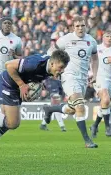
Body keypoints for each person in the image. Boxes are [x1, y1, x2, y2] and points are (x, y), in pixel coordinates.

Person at [0, 50, 70, 164]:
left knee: (6, 124)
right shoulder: (36, 63)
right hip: (7, 84)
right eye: (61, 67)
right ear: (53, 63)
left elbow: (33, 74)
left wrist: (37, 84)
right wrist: (22, 85)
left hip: (15, 87)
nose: (62, 70)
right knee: (13, 123)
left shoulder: (50, 68)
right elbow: (9, 65)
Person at [42, 15, 98, 148]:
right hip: (68, 75)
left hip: (83, 78)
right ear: (73, 27)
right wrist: (52, 68)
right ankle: (87, 140)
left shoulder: (91, 41)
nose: (80, 28)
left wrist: (95, 74)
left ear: (86, 26)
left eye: (82, 25)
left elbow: (95, 59)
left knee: (72, 109)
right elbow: (51, 51)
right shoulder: (66, 39)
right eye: (77, 26)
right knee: (80, 105)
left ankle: (50, 109)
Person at [90, 29, 111, 137]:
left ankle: (95, 125)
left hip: (110, 79)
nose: (109, 38)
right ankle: (108, 127)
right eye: (107, 36)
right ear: (103, 37)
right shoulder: (97, 48)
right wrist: (90, 74)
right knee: (106, 99)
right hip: (100, 77)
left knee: (105, 103)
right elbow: (90, 61)